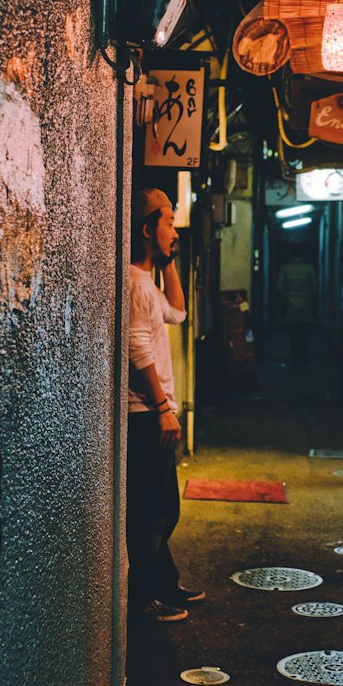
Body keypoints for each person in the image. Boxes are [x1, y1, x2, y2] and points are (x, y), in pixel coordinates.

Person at [127, 188, 204, 622]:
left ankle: (165, 584)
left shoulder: (147, 281)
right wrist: (163, 409)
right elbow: (137, 350)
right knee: (154, 511)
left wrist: (169, 260)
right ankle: (142, 599)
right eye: (169, 222)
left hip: (152, 413)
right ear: (146, 229)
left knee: (158, 506)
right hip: (145, 414)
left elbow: (177, 313)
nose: (175, 230)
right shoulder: (135, 284)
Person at [276, 249, 318, 365]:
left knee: (292, 329)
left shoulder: (285, 268)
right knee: (306, 328)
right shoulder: (309, 268)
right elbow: (314, 286)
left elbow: (280, 287)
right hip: (306, 300)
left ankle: (295, 351)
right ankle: (304, 349)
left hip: (290, 300)